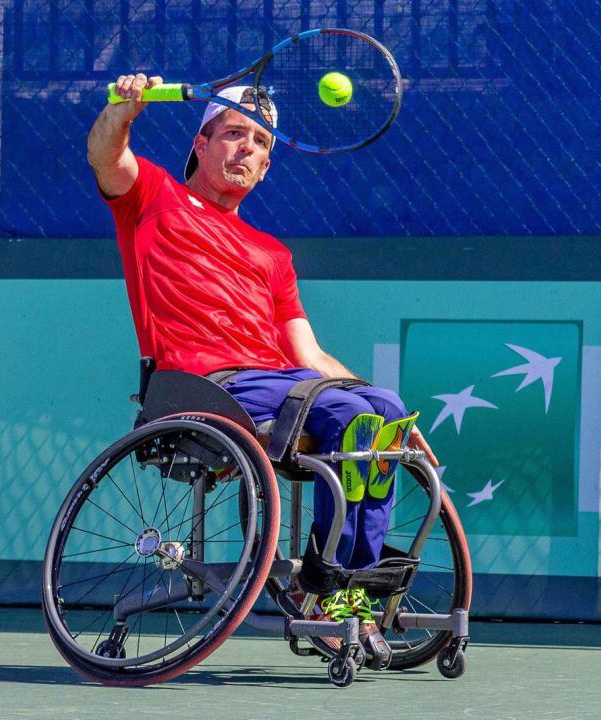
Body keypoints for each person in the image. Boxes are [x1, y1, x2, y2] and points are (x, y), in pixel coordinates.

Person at [89, 73, 438, 620]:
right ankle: (325, 594)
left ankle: (346, 589)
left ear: (265, 167)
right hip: (203, 388)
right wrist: (123, 109)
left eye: (260, 143)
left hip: (280, 388)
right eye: (233, 134)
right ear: (201, 145)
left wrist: (392, 414)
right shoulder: (154, 196)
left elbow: (311, 357)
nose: (246, 148)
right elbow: (107, 158)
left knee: (384, 409)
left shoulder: (272, 253)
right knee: (350, 410)